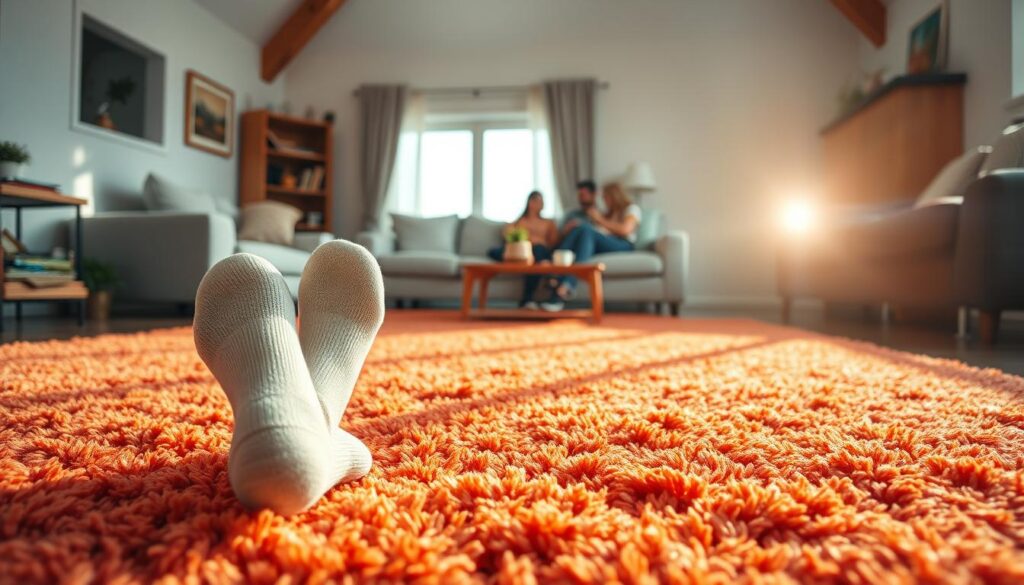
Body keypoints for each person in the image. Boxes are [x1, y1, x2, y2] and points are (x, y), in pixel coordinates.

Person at [542, 181, 641, 312]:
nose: (604, 201)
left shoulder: (631, 209)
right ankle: (562, 287)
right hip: (606, 243)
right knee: (581, 229)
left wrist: (598, 219)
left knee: (585, 229)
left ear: (614, 196)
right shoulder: (608, 213)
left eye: (606, 197)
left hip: (623, 245)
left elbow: (625, 230)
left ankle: (556, 270)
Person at [487, 191, 558, 308]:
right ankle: (544, 273)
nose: (541, 203)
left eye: (542, 201)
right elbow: (508, 234)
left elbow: (553, 243)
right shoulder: (520, 221)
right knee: (493, 251)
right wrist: (512, 233)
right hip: (521, 251)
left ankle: (527, 298)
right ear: (530, 202)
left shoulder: (548, 222)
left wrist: (537, 240)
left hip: (539, 250)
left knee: (537, 254)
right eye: (537, 200)